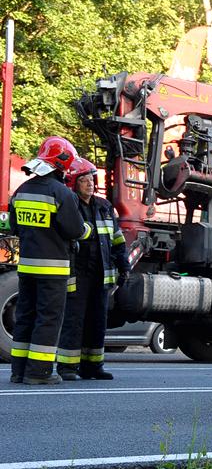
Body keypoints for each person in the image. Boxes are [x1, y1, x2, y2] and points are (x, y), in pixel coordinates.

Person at [9, 137, 92, 384]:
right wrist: (87, 230)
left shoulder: (21, 190)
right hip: (53, 269)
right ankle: (39, 373)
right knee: (48, 318)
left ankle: (19, 371)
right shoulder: (62, 193)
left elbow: (15, 226)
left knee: (25, 316)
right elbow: (75, 230)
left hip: (26, 266)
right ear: (63, 163)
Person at [56, 158, 130, 380]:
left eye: (91, 179)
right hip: (77, 273)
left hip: (101, 273)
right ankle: (68, 367)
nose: (89, 184)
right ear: (74, 184)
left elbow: (117, 239)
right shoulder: (70, 205)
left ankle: (93, 366)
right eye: (84, 180)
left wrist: (123, 265)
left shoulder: (104, 207)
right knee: (74, 320)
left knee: (98, 321)